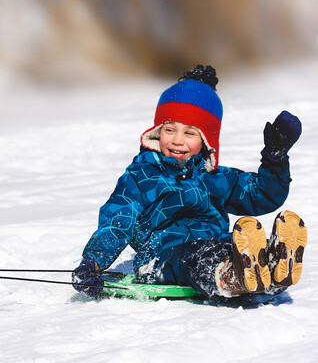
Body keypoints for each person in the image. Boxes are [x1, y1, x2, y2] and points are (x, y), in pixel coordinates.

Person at [72, 64, 306, 299]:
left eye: (189, 133)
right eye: (169, 130)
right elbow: (117, 222)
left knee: (233, 247)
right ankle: (232, 276)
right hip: (161, 257)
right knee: (199, 257)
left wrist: (274, 160)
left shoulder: (214, 176)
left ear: (206, 140)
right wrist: (93, 262)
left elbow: (261, 194)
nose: (177, 140)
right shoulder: (141, 176)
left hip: (215, 244)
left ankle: (273, 266)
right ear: (157, 132)